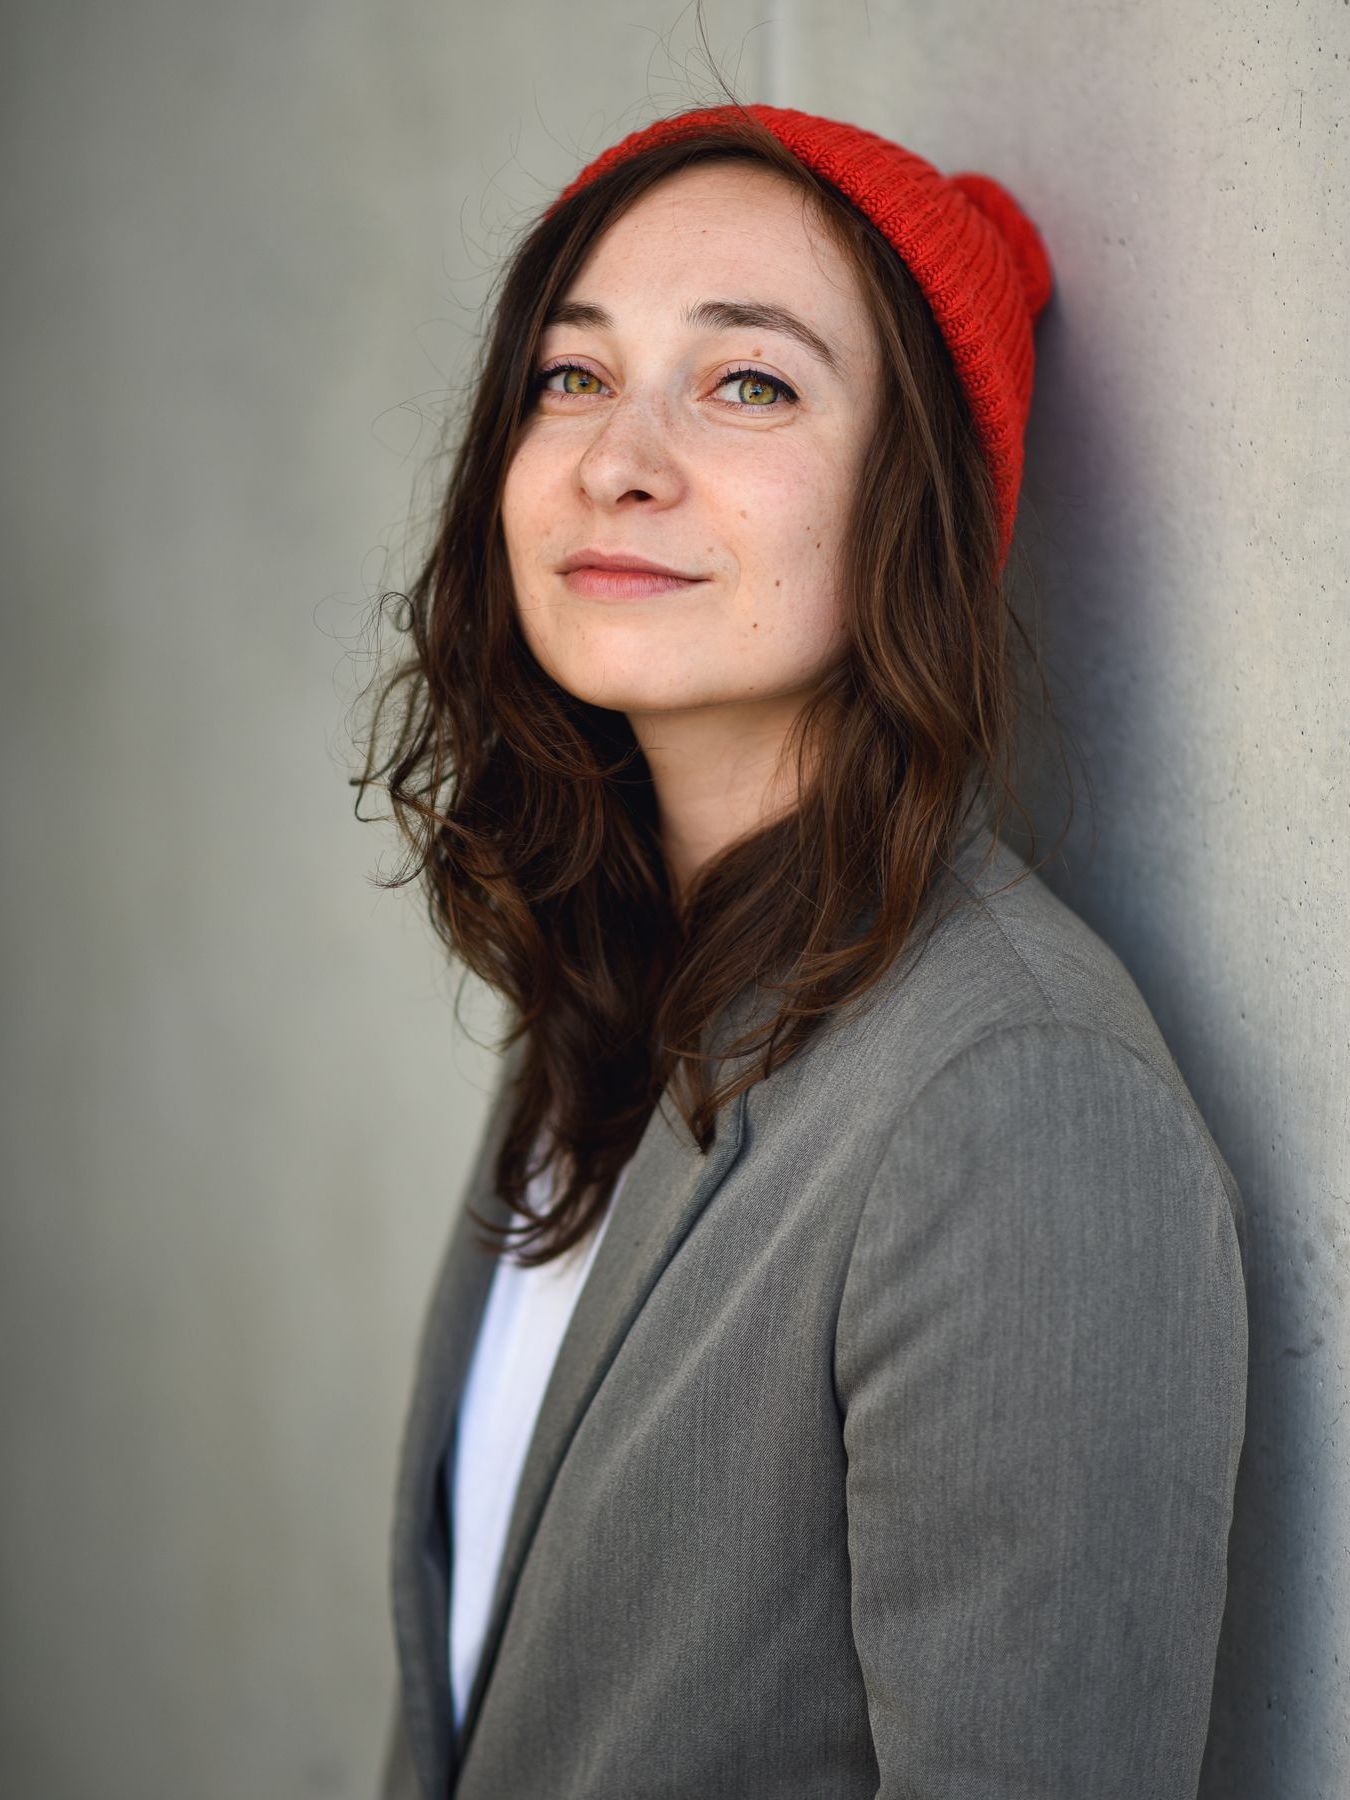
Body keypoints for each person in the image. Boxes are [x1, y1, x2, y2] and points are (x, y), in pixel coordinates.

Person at [358, 100, 1249, 1800]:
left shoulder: (1017, 1102)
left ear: (916, 501)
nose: (617, 457)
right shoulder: (603, 1002)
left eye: (748, 382)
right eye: (570, 374)